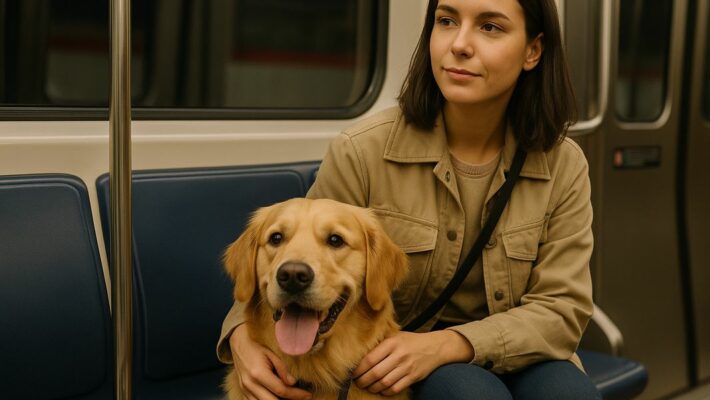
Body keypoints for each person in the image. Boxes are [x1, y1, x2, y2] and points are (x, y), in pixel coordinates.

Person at [217, 0, 600, 398]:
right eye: (446, 21)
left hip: (524, 350)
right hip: (405, 357)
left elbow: (561, 309)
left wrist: (449, 344)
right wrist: (240, 337)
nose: (460, 44)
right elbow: (297, 259)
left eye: (490, 27)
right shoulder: (362, 151)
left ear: (533, 51)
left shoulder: (564, 165)